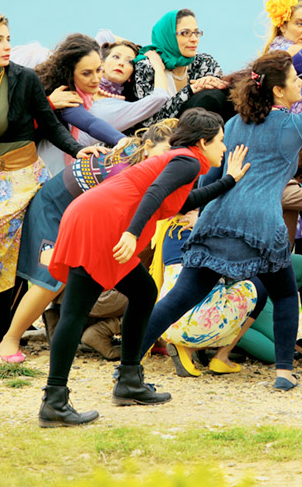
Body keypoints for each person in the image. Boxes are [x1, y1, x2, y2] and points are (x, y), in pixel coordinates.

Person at [141, 48, 302, 391]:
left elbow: (210, 176)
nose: (301, 83)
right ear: (277, 90)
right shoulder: (290, 127)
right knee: (286, 295)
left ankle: (128, 366)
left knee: (179, 298)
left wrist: (198, 211)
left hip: (215, 220)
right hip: (260, 225)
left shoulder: (233, 124)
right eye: (294, 79)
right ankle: (284, 373)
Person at [40, 109, 247, 426]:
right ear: (203, 142)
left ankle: (129, 381)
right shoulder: (188, 161)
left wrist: (228, 181)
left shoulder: (183, 160)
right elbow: (155, 193)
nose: (224, 147)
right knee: (75, 311)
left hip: (100, 217)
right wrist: (132, 233)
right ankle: (54, 401)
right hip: (101, 223)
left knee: (143, 291)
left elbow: (180, 202)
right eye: (220, 140)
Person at [0, 10, 105, 361]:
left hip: (22, 177)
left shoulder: (24, 79)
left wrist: (78, 150)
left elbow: (49, 124)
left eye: (7, 38)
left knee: (3, 245)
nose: (7, 46)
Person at [0, 121, 177, 363]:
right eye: (166, 151)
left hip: (79, 214)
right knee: (51, 279)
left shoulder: (140, 160)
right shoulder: (126, 166)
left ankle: (143, 334)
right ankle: (10, 339)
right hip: (53, 211)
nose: (171, 159)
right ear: (147, 147)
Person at [149, 211, 265, 377]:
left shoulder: (170, 228)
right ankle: (220, 356)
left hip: (165, 325)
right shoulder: (214, 230)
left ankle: (187, 348)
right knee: (260, 284)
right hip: (202, 326)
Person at [34, 33, 126, 172]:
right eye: (86, 73)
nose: (96, 79)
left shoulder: (78, 92)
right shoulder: (63, 95)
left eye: (98, 70)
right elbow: (89, 123)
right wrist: (121, 139)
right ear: (69, 73)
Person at [132, 9, 231, 123]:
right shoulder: (147, 67)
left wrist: (216, 83)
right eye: (185, 33)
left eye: (196, 33)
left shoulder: (204, 62)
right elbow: (150, 121)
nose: (194, 39)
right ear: (168, 36)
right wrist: (190, 90)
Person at [76, 33, 175, 139]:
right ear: (102, 63)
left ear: (131, 75)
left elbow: (160, 97)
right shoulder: (82, 82)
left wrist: (158, 68)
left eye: (129, 62)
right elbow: (103, 35)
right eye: (116, 57)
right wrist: (142, 50)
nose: (121, 63)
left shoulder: (123, 108)